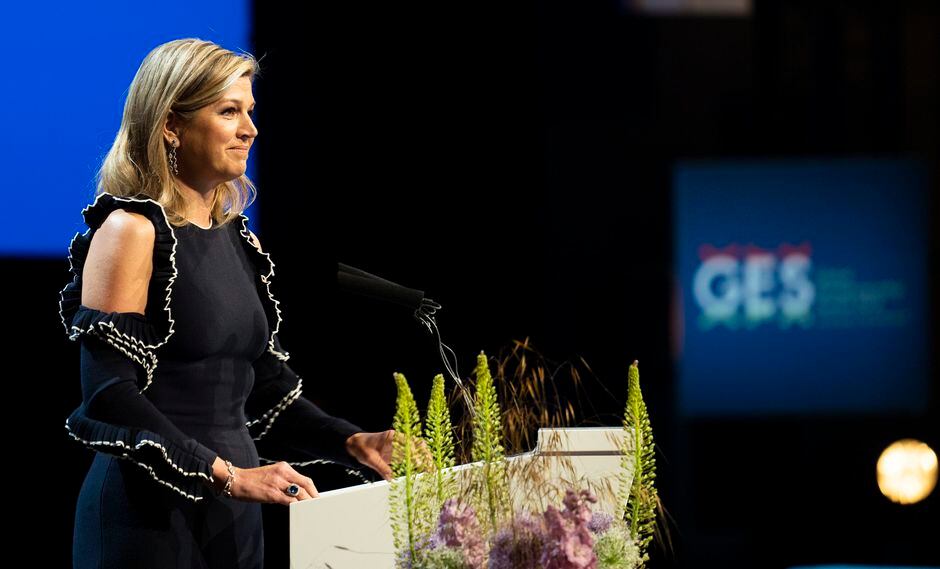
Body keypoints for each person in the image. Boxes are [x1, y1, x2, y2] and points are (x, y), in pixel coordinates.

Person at [59, 38, 401, 568]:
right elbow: (108, 394)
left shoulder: (238, 239)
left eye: (250, 111)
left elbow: (264, 392)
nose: (250, 129)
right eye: (228, 111)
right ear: (171, 125)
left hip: (233, 517)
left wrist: (353, 442)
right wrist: (226, 474)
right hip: (149, 518)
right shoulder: (130, 231)